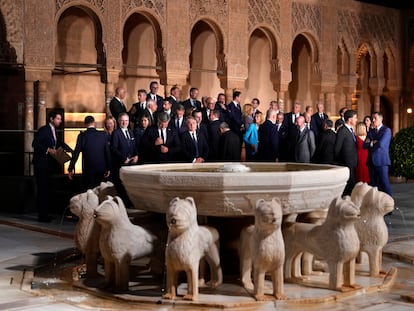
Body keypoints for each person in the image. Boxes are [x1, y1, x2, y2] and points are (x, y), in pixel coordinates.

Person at [32, 110, 73, 222]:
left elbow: (58, 142)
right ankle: (42, 216)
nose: (60, 121)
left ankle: (46, 213)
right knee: (42, 190)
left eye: (60, 119)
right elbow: (34, 144)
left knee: (48, 189)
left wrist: (69, 149)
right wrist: (48, 150)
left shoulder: (54, 130)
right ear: (51, 119)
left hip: (49, 165)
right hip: (41, 165)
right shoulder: (44, 130)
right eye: (58, 119)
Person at [68, 116, 111, 190]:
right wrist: (109, 167)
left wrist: (70, 168)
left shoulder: (82, 136)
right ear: (94, 123)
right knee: (100, 191)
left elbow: (76, 153)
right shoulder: (103, 135)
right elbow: (107, 152)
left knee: (89, 192)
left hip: (88, 169)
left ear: (85, 124)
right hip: (101, 169)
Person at [110, 112, 138, 207]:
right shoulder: (116, 133)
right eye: (122, 121)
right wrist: (123, 159)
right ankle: (124, 205)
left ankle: (131, 203)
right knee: (122, 186)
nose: (124, 123)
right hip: (121, 164)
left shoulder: (130, 132)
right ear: (118, 121)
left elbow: (134, 146)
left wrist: (136, 155)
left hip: (131, 164)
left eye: (126, 120)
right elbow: (113, 148)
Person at [363, 112, 392, 196]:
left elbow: (381, 144)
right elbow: (364, 145)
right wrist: (372, 142)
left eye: (375, 118)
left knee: (384, 183)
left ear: (381, 119)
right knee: (373, 185)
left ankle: (389, 204)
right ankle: (376, 205)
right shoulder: (371, 131)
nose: (373, 120)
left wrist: (371, 144)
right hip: (371, 161)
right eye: (372, 118)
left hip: (381, 161)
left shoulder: (386, 130)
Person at [334, 109, 358, 196]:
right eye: (355, 118)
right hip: (346, 163)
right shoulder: (343, 130)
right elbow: (337, 148)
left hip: (352, 162)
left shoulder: (350, 130)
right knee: (348, 185)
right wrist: (340, 161)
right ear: (349, 119)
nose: (356, 119)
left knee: (351, 184)